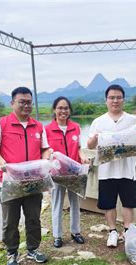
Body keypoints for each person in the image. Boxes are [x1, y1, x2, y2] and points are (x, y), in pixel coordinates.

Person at [0, 86, 51, 265]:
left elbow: (46, 148)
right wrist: (0, 160)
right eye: (22, 102)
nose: (26, 105)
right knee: (10, 221)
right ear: (12, 103)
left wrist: (46, 158)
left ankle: (33, 249)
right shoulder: (2, 124)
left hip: (34, 182)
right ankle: (12, 252)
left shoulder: (38, 126)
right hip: (10, 182)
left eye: (29, 102)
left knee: (33, 218)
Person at [87, 84, 136, 248]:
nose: (115, 100)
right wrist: (96, 138)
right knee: (108, 203)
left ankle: (127, 230)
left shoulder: (132, 120)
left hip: (127, 170)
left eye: (118, 97)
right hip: (106, 171)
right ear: (106, 100)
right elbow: (89, 145)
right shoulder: (99, 122)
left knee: (129, 202)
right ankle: (112, 231)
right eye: (112, 98)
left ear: (123, 100)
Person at [45, 96, 88, 248]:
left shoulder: (76, 127)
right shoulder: (47, 129)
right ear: (54, 110)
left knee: (75, 203)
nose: (63, 111)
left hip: (74, 172)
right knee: (57, 204)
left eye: (66, 108)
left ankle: (75, 232)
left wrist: (83, 157)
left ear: (70, 111)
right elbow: (45, 151)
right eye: (60, 108)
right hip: (57, 174)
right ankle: (57, 236)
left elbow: (78, 148)